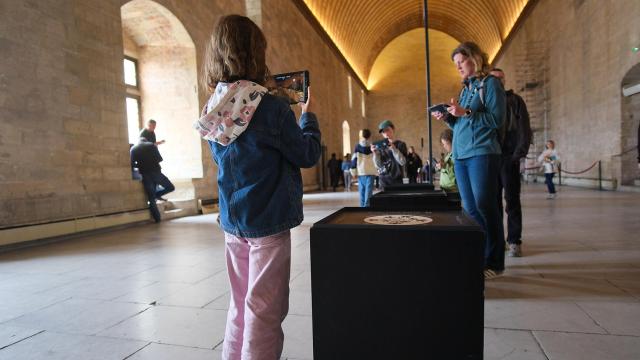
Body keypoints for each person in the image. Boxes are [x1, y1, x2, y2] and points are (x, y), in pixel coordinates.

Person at [194, 15, 321, 360]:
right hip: (268, 222)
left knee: (239, 303)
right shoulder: (271, 108)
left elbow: (226, 159)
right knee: (265, 309)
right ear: (255, 53)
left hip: (233, 222)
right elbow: (307, 154)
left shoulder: (213, 107)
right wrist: (307, 116)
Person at [432, 41, 506, 280]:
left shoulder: (491, 84)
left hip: (482, 152)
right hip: (462, 155)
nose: (458, 67)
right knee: (470, 209)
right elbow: (463, 123)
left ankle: (495, 261)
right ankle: (479, 256)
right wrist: (448, 117)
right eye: (456, 64)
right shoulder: (466, 90)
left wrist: (467, 112)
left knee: (486, 205)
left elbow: (496, 120)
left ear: (475, 58)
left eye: (461, 61)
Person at [490, 68, 532, 257]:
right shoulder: (488, 100)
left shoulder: (515, 100)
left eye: (501, 78)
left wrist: (519, 154)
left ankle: (514, 240)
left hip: (509, 157)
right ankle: (498, 239)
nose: (498, 81)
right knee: (493, 202)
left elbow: (524, 127)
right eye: (494, 78)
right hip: (490, 157)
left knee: (512, 200)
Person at [130, 137, 175, 222]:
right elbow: (160, 159)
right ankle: (158, 194)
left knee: (151, 198)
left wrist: (140, 165)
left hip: (145, 174)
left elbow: (132, 164)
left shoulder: (133, 149)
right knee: (170, 187)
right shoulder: (152, 145)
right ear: (146, 141)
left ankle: (157, 219)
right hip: (156, 172)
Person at [371, 120, 407, 188]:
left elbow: (402, 162)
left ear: (393, 129)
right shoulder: (380, 146)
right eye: (383, 132)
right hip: (383, 179)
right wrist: (375, 154)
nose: (386, 133)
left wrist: (394, 149)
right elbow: (378, 165)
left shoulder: (401, 144)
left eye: (387, 130)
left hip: (397, 179)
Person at [352, 129, 377, 206]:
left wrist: (353, 171)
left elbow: (354, 160)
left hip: (361, 171)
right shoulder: (373, 146)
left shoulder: (357, 146)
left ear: (362, 136)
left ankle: (362, 208)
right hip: (371, 171)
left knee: (362, 191)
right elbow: (376, 159)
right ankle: (367, 207)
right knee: (368, 192)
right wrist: (377, 170)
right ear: (370, 136)